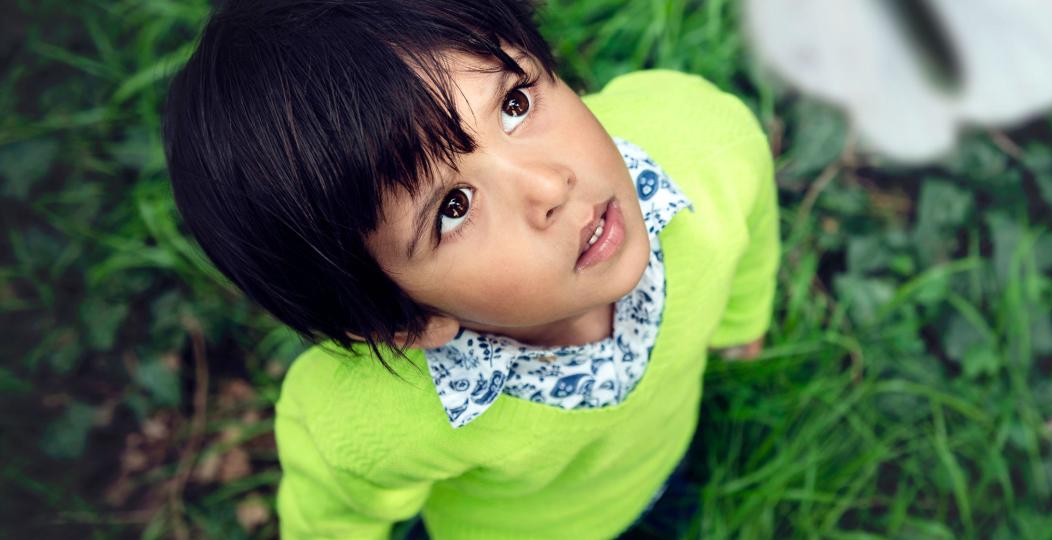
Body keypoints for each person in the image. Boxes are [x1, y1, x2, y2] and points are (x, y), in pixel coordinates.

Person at [161, 0, 779, 537]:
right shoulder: (378, 421)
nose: (549, 185)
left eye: (514, 103)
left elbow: (751, 223)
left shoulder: (705, 144)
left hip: (664, 466)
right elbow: (337, 510)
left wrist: (739, 322)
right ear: (401, 323)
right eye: (453, 207)